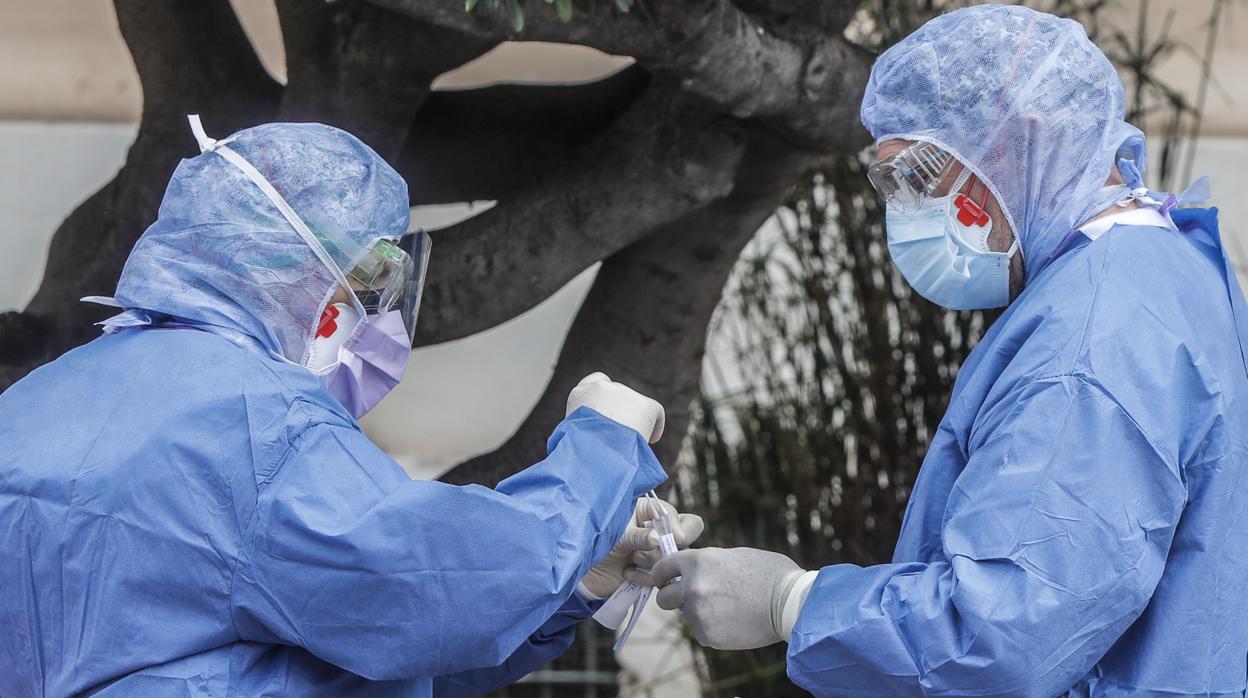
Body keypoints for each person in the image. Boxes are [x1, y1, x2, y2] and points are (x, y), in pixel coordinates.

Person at [634, 5, 1248, 696]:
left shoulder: (1089, 342)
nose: (905, 210)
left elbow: (1003, 634)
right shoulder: (1163, 258)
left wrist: (792, 602)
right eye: (889, 185)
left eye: (920, 178)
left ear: (1023, 144)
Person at [0, 116, 701, 696]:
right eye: (372, 283)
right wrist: (601, 447)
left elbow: (361, 652)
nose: (380, 318)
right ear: (308, 277)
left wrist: (574, 586)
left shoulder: (32, 404)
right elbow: (445, 585)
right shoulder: (256, 427)